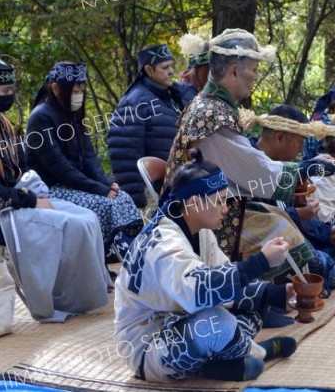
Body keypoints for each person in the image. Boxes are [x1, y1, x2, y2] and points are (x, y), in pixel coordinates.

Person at [114, 149, 297, 382]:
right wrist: (261, 262)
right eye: (219, 200)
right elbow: (199, 291)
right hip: (150, 349)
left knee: (254, 299)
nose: (226, 208)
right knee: (217, 321)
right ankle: (255, 353)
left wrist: (277, 294)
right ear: (194, 203)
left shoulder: (201, 233)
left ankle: (225, 363)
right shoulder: (162, 244)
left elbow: (226, 279)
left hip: (183, 323)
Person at [167, 29, 335, 280]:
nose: (256, 76)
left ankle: (281, 291)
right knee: (282, 233)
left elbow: (244, 168)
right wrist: (307, 168)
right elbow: (256, 172)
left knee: (277, 217)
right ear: (234, 70)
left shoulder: (213, 105)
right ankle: (264, 295)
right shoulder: (211, 113)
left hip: (209, 203)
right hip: (198, 216)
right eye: (254, 69)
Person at [0, 55, 110, 321]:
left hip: (20, 198)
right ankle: (51, 301)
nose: (10, 96)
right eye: (5, 91)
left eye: (12, 90)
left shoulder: (1, 123)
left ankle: (79, 295)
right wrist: (30, 200)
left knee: (86, 217)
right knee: (70, 224)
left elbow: (20, 165)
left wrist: (33, 190)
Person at [249, 105, 335, 293]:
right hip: (257, 246)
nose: (302, 149)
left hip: (293, 233)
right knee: (316, 265)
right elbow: (253, 216)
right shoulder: (248, 164)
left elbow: (311, 220)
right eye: (300, 142)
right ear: (280, 138)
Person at [26, 61, 142, 262]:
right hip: (51, 188)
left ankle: (131, 256)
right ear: (55, 88)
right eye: (74, 89)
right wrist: (98, 189)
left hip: (76, 184)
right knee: (103, 204)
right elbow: (59, 167)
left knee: (122, 198)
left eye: (82, 88)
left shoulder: (72, 114)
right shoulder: (40, 118)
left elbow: (88, 155)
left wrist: (105, 183)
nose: (79, 93)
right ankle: (101, 260)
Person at [108, 44, 184, 207]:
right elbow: (125, 153)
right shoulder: (134, 103)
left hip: (185, 174)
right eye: (165, 67)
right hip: (171, 186)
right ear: (149, 70)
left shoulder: (171, 95)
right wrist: (135, 202)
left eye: (172, 65)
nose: (171, 71)